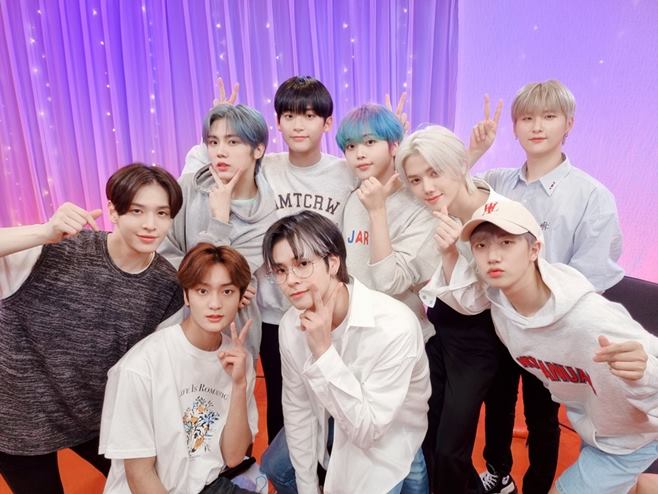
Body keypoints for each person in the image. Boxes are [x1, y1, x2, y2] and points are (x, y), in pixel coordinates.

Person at [426, 198, 658, 494]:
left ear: (534, 249)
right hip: (596, 423)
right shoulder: (501, 305)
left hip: (632, 437)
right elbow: (465, 300)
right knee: (630, 487)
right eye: (481, 246)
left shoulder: (588, 318)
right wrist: (449, 253)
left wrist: (647, 372)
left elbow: (649, 358)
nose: (493, 256)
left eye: (507, 243)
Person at [181, 76, 360, 444]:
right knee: (282, 402)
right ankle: (287, 468)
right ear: (277, 122)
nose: (298, 125)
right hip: (272, 311)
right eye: (289, 116)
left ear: (327, 123)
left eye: (309, 116)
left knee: (332, 396)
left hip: (326, 309)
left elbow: (384, 177)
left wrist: (392, 143)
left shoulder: (344, 173)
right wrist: (222, 123)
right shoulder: (264, 166)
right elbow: (208, 163)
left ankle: (329, 468)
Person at [468, 81, 624, 494]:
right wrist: (473, 153)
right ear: (515, 127)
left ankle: (538, 485)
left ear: (568, 123)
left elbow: (592, 275)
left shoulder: (592, 195)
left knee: (543, 414)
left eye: (549, 117)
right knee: (497, 403)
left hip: (555, 330)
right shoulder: (495, 182)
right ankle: (498, 474)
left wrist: (549, 317)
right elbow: (446, 194)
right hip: (499, 321)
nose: (537, 127)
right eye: (527, 118)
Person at [0, 163, 184, 494]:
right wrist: (44, 231)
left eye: (162, 213)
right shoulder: (56, 248)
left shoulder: (166, 285)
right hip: (18, 419)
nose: (150, 224)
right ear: (113, 211)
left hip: (98, 417)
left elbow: (157, 367)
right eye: (137, 211)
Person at [260, 211, 430, 493]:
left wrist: (323, 352)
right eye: (280, 270)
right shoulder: (291, 324)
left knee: (402, 473)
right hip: (331, 415)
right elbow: (297, 407)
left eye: (302, 264)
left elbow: (368, 431)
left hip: (389, 429)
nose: (290, 280)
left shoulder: (393, 326)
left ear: (333, 262)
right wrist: (307, 487)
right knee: (275, 466)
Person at [396, 125, 508, 494]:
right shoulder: (437, 207)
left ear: (460, 165)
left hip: (480, 341)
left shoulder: (496, 217)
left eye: (434, 173)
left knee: (450, 448)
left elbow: (477, 301)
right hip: (439, 333)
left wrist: (448, 255)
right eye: (416, 179)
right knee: (426, 432)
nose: (426, 187)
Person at [100, 243, 259, 493]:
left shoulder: (239, 359)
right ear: (186, 296)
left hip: (208, 483)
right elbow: (140, 475)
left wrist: (239, 385)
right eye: (202, 291)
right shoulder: (140, 367)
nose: (215, 303)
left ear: (240, 297)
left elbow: (234, 457)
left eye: (227, 291)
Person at [159, 103, 280, 361]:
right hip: (177, 327)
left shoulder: (267, 215)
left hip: (234, 335)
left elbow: (217, 276)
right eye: (213, 142)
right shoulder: (187, 188)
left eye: (232, 142)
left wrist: (219, 220)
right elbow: (161, 256)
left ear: (258, 150)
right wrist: (230, 284)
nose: (220, 151)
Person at [336, 103, 439, 343]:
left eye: (370, 142)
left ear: (394, 146)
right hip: (355, 332)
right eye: (351, 146)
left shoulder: (420, 206)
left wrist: (377, 210)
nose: (359, 153)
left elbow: (389, 283)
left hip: (403, 335)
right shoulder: (353, 197)